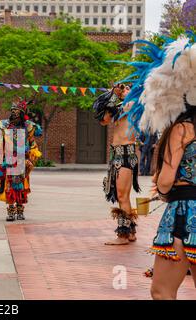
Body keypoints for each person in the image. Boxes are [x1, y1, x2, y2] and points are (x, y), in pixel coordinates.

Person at [120, 35, 196, 299]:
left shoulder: (183, 129)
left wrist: (162, 186)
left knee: (162, 291)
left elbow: (165, 181)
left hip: (185, 215)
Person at [93, 84, 141, 245]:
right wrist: (114, 94)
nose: (123, 90)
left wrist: (115, 95)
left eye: (127, 88)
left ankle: (123, 235)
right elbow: (104, 120)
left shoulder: (133, 104)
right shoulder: (123, 105)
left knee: (122, 195)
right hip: (118, 154)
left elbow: (115, 111)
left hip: (126, 154)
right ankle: (131, 232)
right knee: (124, 196)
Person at [0, 98, 42, 222]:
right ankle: (11, 211)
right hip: (9, 160)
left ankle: (20, 211)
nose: (14, 114)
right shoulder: (3, 125)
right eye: (13, 111)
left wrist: (32, 157)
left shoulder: (29, 127)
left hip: (23, 161)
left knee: (21, 187)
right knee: (9, 186)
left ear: (22, 113)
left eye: (17, 111)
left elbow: (32, 143)